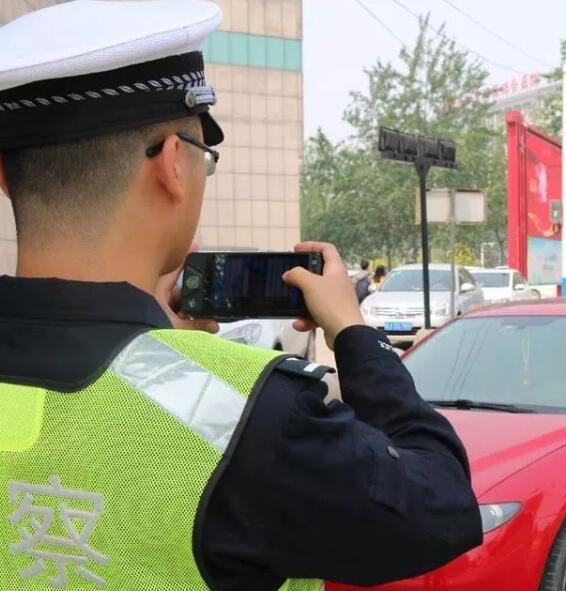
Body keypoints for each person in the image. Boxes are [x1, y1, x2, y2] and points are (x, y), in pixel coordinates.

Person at [0, 2, 481, 590]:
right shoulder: (248, 417)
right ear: (174, 165)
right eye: (205, 158)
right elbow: (441, 506)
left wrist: (153, 348)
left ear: (5, 177)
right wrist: (355, 336)